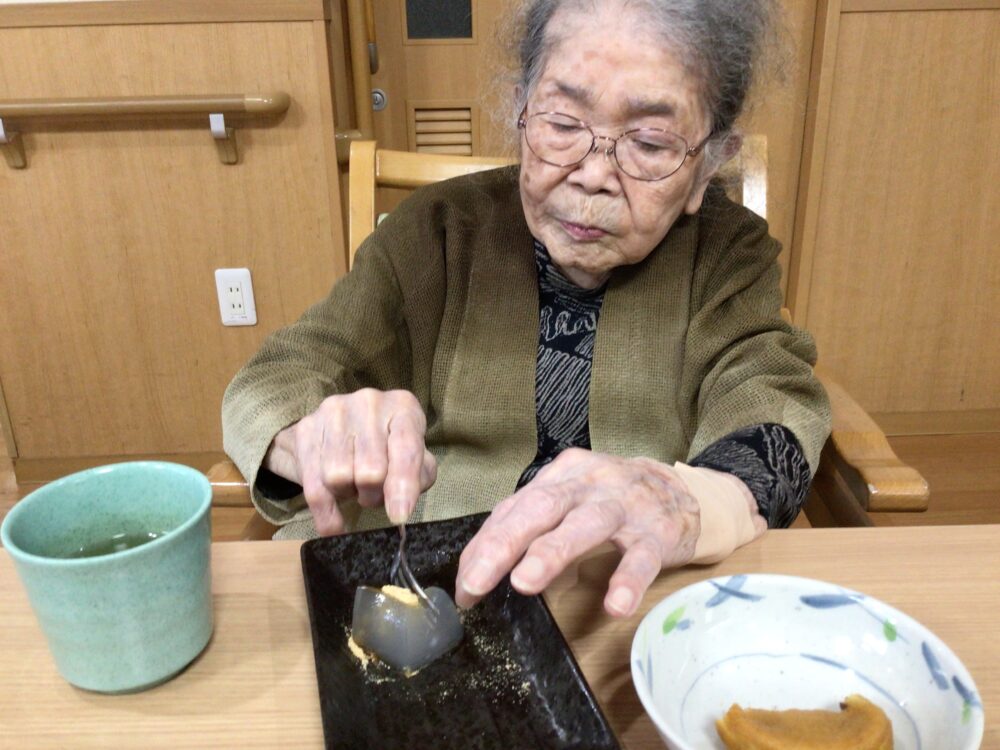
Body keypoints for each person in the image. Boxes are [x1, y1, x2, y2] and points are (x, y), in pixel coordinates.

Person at [222, 0, 830, 618]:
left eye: (650, 142)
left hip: (623, 603)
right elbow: (282, 376)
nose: (593, 175)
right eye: (562, 123)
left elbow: (769, 397)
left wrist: (688, 499)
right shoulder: (435, 232)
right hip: (437, 592)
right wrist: (313, 439)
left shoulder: (726, 254)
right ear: (519, 112)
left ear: (708, 165)